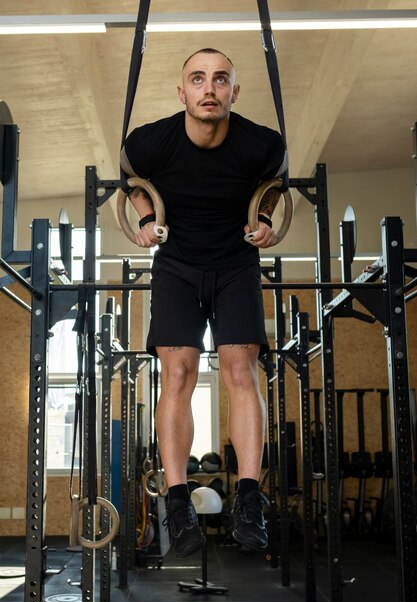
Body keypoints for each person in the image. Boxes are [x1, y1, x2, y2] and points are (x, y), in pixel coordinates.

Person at [120, 48, 288, 557]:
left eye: (220, 80)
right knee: (178, 376)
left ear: (234, 92)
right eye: (198, 79)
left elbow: (274, 185)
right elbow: (129, 177)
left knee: (242, 371)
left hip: (236, 264)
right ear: (183, 92)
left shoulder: (261, 143)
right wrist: (147, 216)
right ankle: (176, 501)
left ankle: (251, 499)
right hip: (176, 265)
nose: (209, 88)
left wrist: (263, 219)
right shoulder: (151, 141)